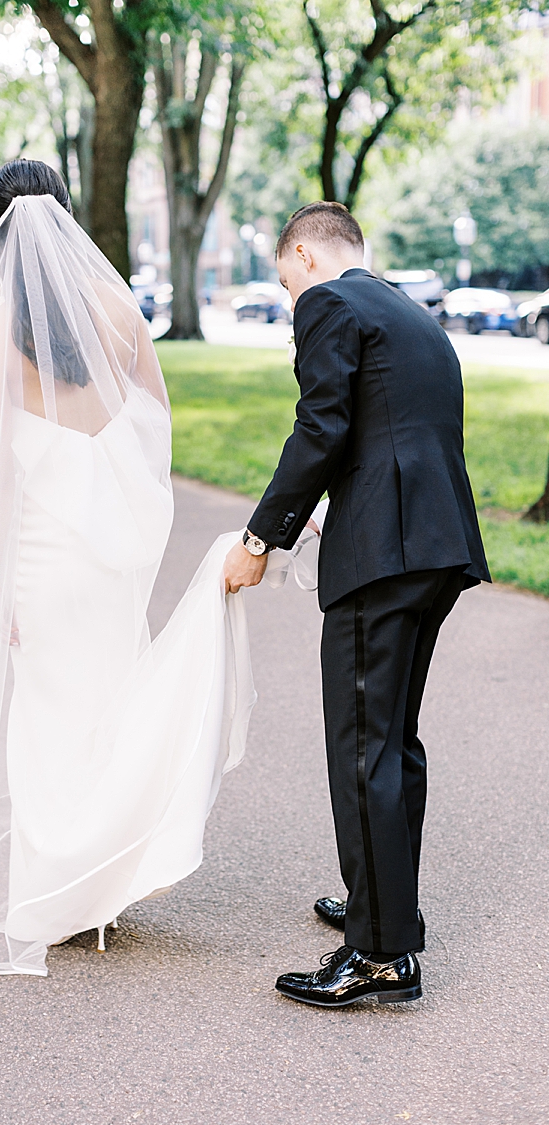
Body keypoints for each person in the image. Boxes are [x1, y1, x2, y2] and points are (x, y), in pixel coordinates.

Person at [0, 160, 258, 977]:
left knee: (49, 714)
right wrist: (128, 508)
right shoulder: (117, 308)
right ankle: (108, 881)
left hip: (45, 555)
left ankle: (60, 893)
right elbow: (152, 419)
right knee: (111, 698)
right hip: (113, 546)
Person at [222, 201, 489, 1008]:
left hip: (384, 557)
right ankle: (387, 907)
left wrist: (260, 539)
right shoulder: (410, 311)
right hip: (438, 546)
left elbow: (321, 427)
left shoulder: (330, 303)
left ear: (304, 252)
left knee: (363, 745)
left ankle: (378, 954)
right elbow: (393, 428)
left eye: (284, 277)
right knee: (394, 740)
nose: (291, 297)